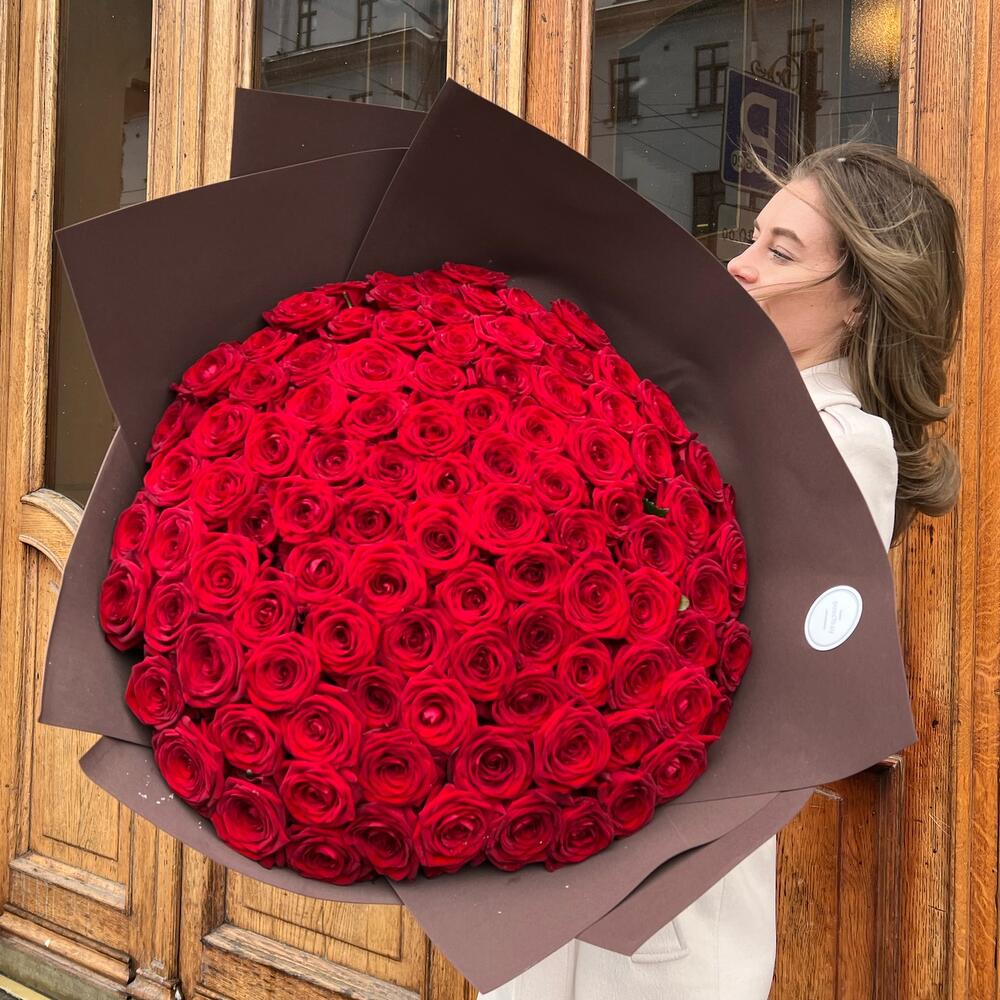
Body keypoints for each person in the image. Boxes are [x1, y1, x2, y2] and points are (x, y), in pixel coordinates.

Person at [476, 140, 964, 999]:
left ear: (860, 299)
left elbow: (775, 669)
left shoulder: (839, 441)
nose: (740, 264)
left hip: (666, 861)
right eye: (753, 237)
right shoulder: (712, 399)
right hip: (560, 819)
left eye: (782, 252)